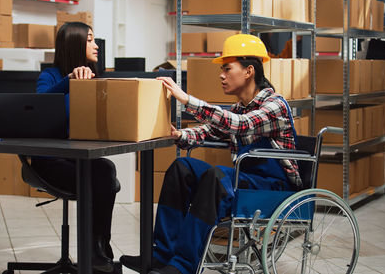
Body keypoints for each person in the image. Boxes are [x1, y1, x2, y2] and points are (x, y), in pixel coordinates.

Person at [120, 34, 301, 274]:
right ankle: (162, 254)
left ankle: (183, 266)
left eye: (227, 68)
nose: (221, 75)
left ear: (249, 71)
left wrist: (186, 100)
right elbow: (209, 131)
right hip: (246, 181)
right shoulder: (240, 108)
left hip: (272, 188)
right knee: (181, 168)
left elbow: (240, 125)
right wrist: (179, 135)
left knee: (216, 177)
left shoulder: (274, 105)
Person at [34, 22, 120, 273]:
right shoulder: (49, 77)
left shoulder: (94, 79)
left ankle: (98, 247)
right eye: (90, 40)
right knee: (103, 179)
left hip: (80, 157)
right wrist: (69, 80)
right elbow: (40, 106)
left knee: (105, 170)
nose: (96, 46)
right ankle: (97, 251)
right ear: (74, 43)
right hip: (50, 160)